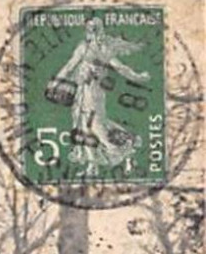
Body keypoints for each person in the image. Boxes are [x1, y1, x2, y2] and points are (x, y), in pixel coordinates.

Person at [46, 17, 150, 176]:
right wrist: (56, 82)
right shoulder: (84, 48)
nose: (93, 33)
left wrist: (137, 77)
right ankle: (92, 166)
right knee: (84, 128)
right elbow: (69, 66)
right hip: (82, 93)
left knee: (97, 128)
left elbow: (120, 68)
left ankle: (127, 153)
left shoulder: (103, 50)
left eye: (95, 29)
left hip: (94, 94)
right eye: (90, 29)